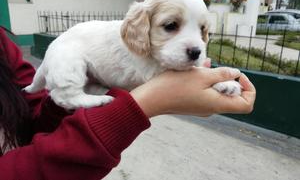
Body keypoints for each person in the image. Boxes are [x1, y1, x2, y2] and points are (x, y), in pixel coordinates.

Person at [0, 26, 255, 180]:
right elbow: (156, 85)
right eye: (171, 26)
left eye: (201, 30)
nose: (196, 43)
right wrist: (152, 100)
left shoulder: (3, 44)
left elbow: (33, 114)